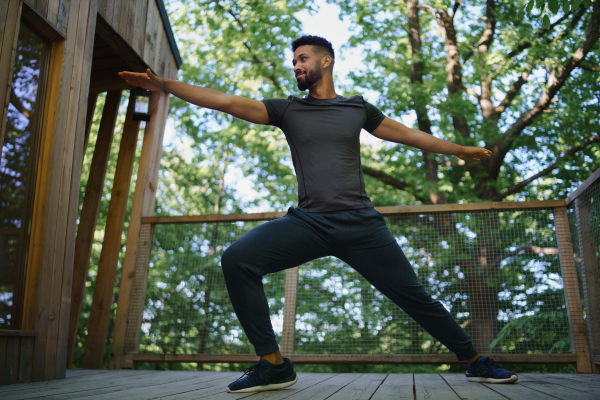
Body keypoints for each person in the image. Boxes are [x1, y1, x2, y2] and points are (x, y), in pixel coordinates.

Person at [119, 35, 518, 393]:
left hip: (361, 224)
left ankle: (476, 362)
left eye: (303, 59)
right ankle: (273, 365)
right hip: (309, 223)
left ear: (326, 62)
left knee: (414, 296)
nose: (296, 66)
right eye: (293, 61)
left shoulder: (357, 108)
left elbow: (408, 135)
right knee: (237, 259)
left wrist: (461, 151)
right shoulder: (288, 109)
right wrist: (164, 86)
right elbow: (225, 101)